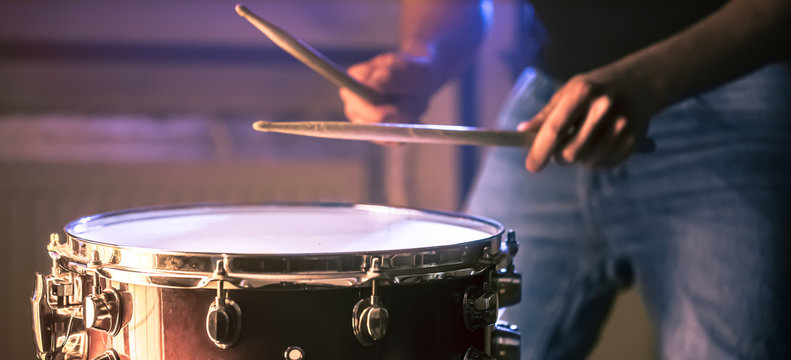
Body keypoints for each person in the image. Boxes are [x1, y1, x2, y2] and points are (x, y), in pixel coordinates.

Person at [339, 0, 790, 359]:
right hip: (549, 100)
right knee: (461, 345)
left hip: (737, 88)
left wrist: (646, 82)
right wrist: (423, 58)